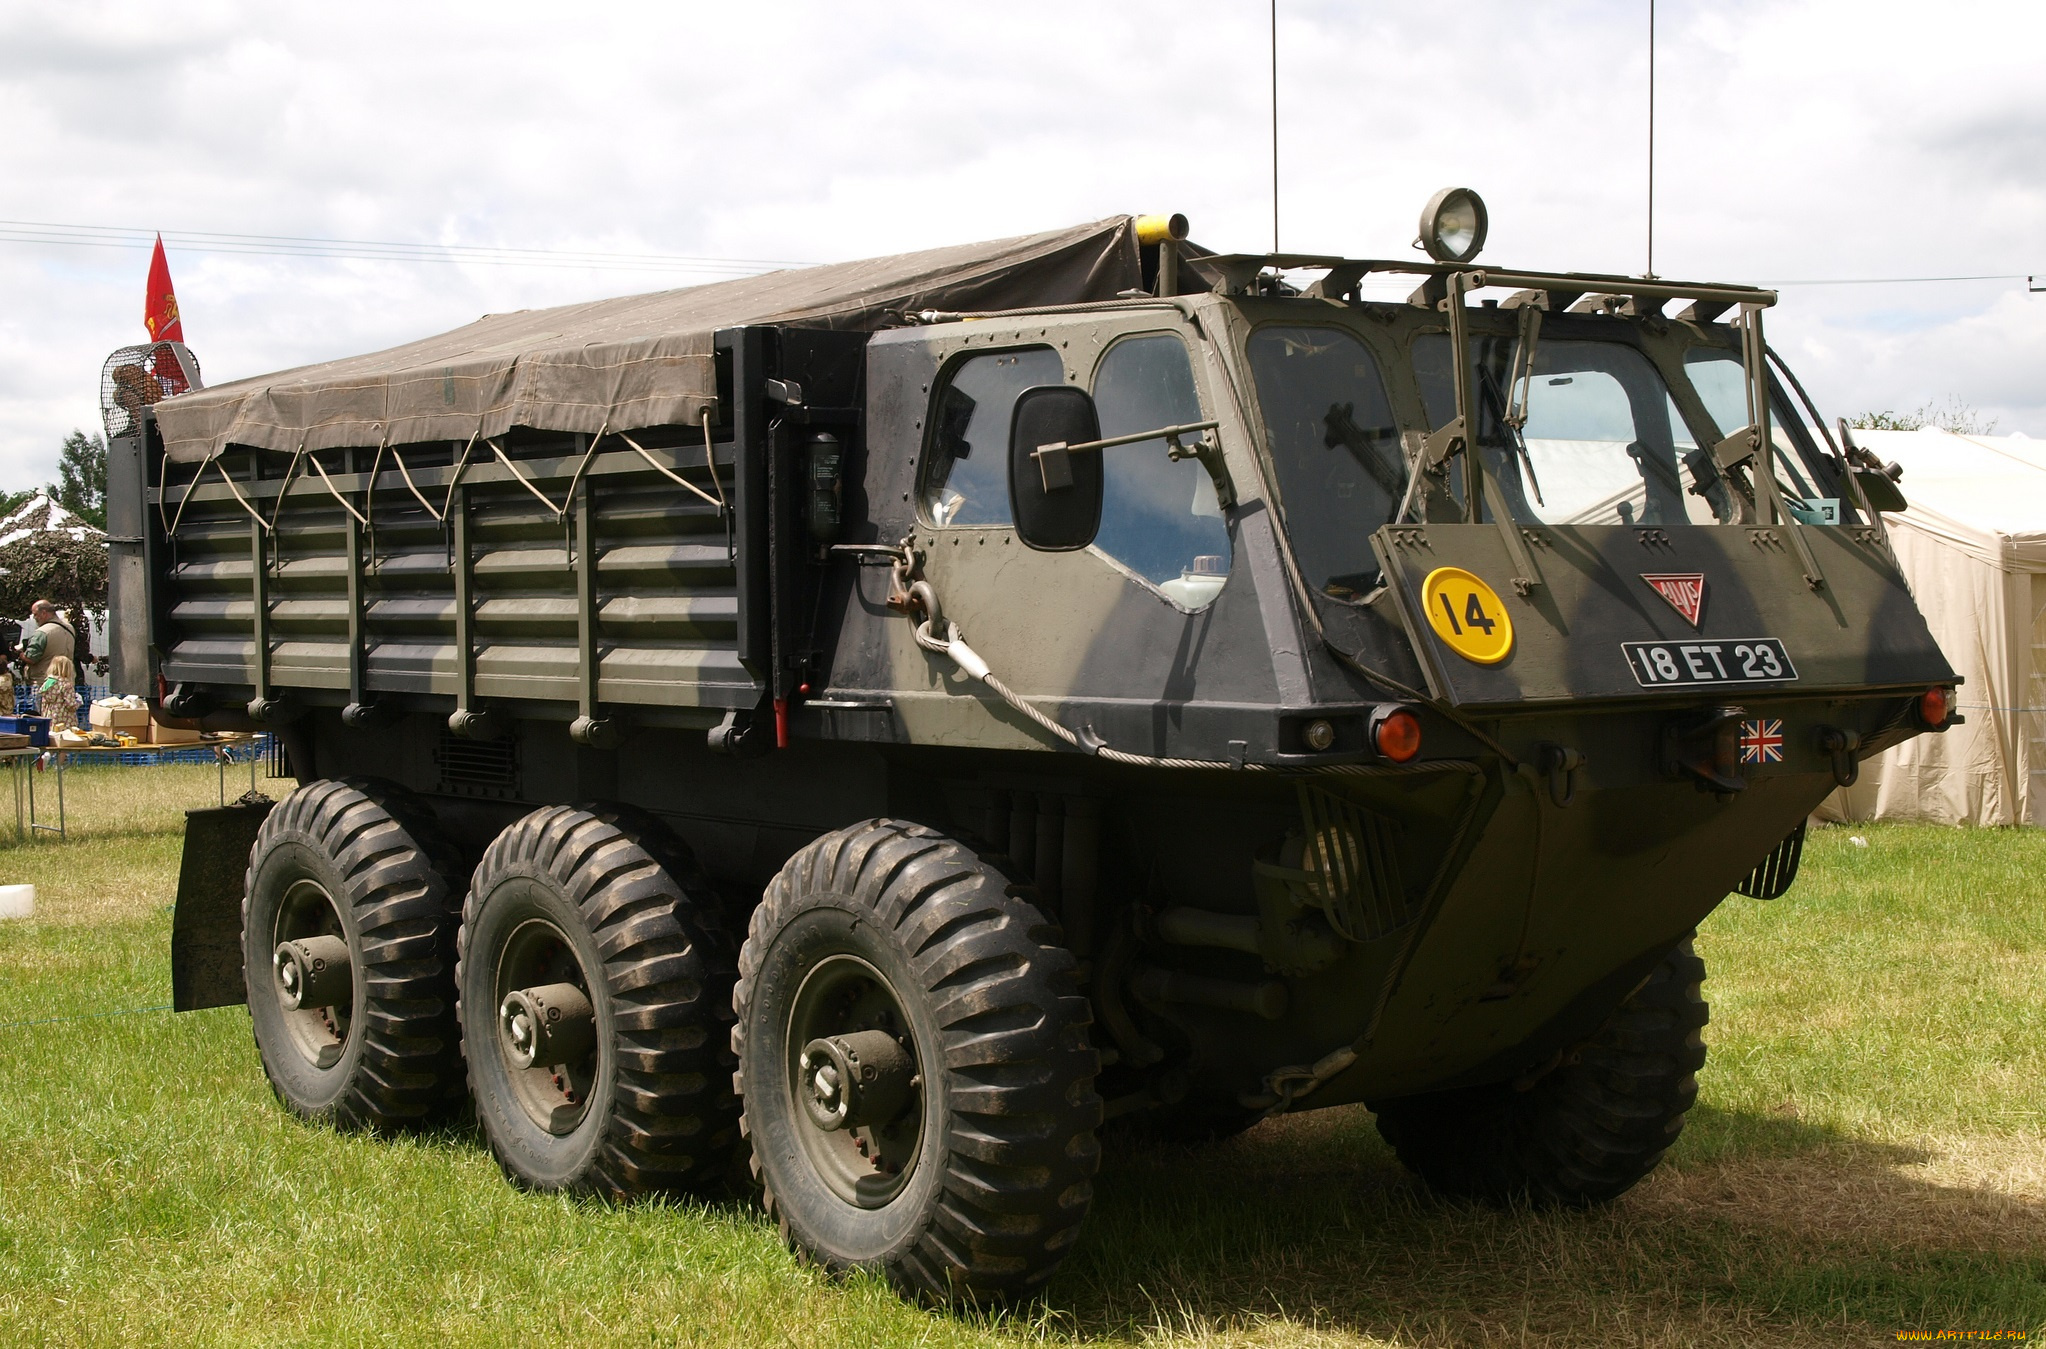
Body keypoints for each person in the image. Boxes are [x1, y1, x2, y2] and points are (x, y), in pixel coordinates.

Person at [15, 600, 76, 690]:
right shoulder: (69, 628)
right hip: (67, 681)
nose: (34, 618)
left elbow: (31, 659)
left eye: (35, 614)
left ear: (43, 613)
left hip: (44, 684)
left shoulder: (42, 632)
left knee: (42, 704)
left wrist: (20, 654)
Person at [37, 655, 79, 731]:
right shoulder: (66, 684)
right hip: (65, 722)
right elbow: (71, 705)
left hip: (49, 719)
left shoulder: (47, 683)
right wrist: (78, 702)